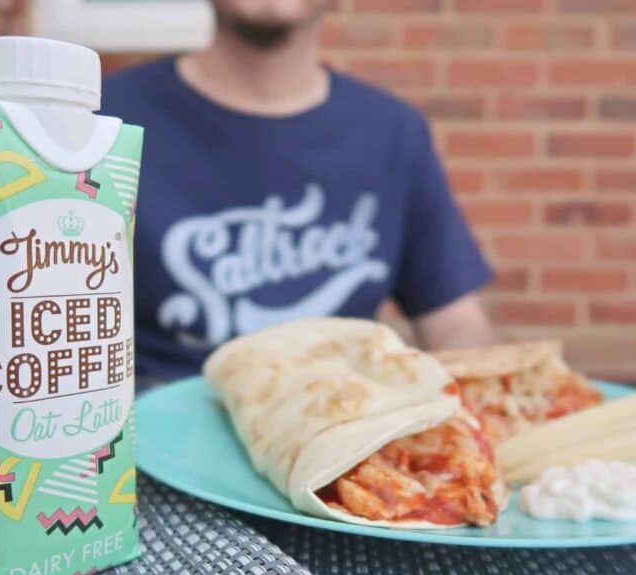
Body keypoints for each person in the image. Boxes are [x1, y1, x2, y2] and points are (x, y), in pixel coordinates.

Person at [101, 0, 498, 381]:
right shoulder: (107, 124)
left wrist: (493, 402)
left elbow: (454, 322)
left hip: (338, 421)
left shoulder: (393, 132)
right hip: (145, 433)